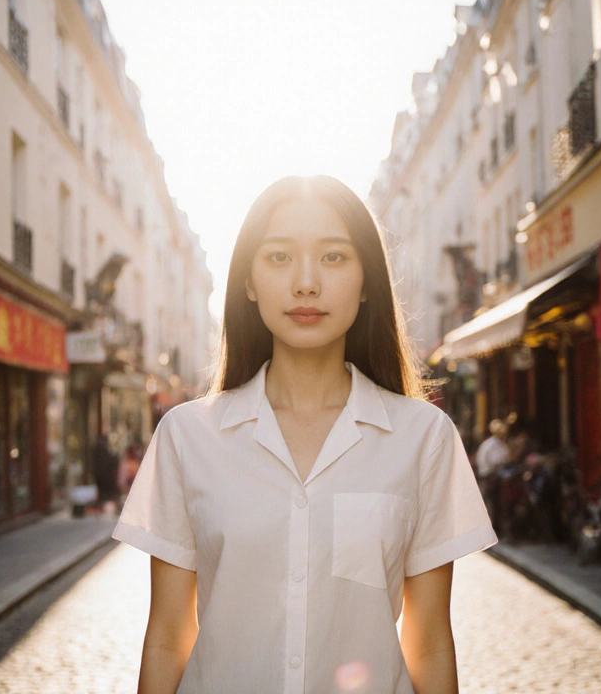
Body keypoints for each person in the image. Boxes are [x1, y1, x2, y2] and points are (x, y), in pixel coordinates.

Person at [113, 175, 496, 693]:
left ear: (366, 282)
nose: (306, 283)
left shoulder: (422, 437)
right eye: (278, 257)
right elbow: (166, 636)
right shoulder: (187, 436)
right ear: (248, 282)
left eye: (334, 257)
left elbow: (428, 641)